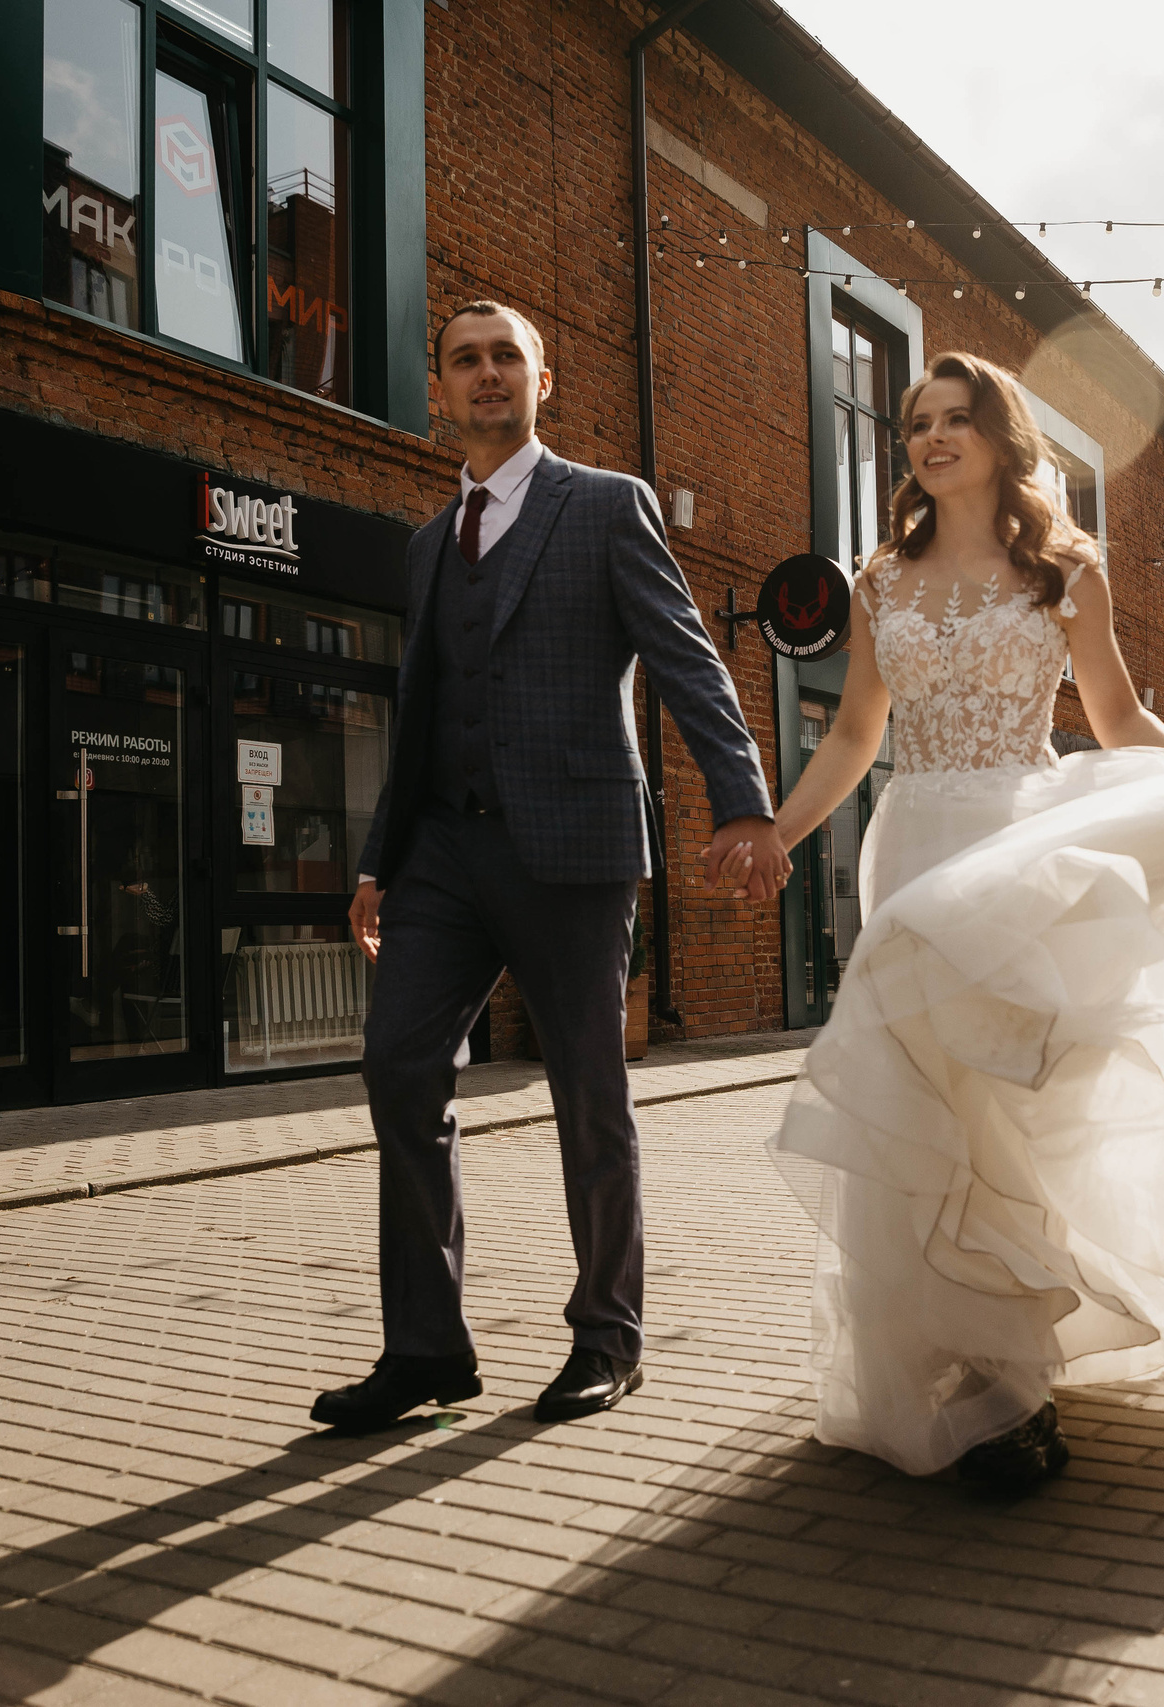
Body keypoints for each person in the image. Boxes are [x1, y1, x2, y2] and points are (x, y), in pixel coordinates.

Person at [763, 353, 1164, 1489]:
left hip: (1022, 851)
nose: (930, 439)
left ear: (998, 437)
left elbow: (1113, 715)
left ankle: (1018, 1382)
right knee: (926, 1113)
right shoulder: (877, 583)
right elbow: (854, 736)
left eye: (955, 420)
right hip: (913, 850)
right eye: (915, 423)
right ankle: (957, 1368)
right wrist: (775, 835)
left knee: (1022, 1115)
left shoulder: (1064, 572)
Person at [311, 301, 788, 1432]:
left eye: (505, 358)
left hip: (571, 850)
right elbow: (420, 709)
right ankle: (426, 1348)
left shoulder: (604, 506)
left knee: (589, 1090)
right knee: (398, 1065)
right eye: (464, 360)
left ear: (543, 379)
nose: (485, 375)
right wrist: (380, 858)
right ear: (438, 388)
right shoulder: (430, 541)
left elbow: (686, 663)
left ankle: (606, 1335)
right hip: (442, 851)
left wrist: (744, 803)